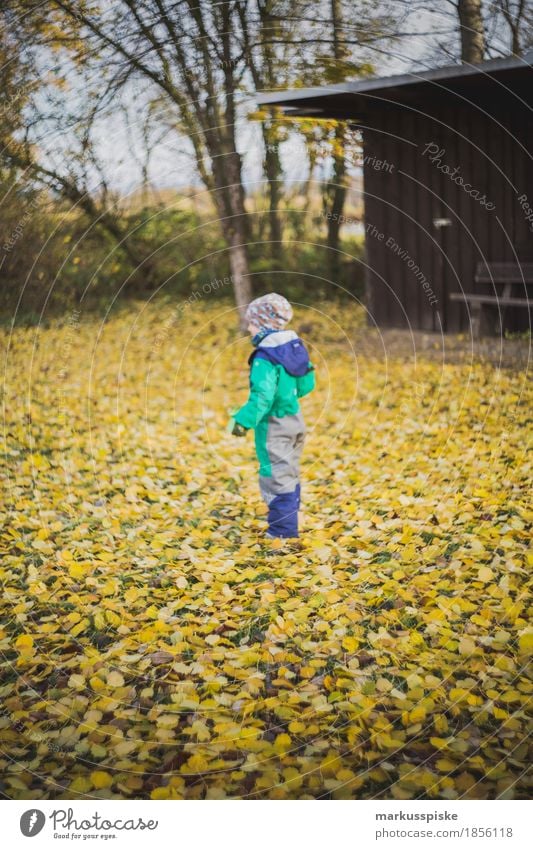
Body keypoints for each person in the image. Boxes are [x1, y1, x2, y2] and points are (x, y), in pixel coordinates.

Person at [230, 293, 315, 540]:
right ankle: (291, 519)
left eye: (252, 323)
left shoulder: (266, 356)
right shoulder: (294, 347)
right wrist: (289, 394)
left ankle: (282, 534)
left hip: (275, 426)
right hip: (295, 420)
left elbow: (263, 396)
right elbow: (308, 383)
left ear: (264, 324)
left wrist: (242, 420)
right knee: (289, 472)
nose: (249, 328)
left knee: (277, 477)